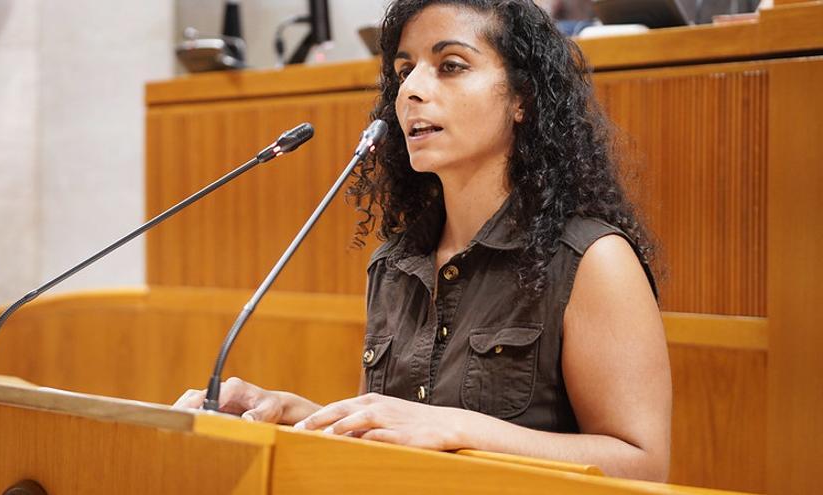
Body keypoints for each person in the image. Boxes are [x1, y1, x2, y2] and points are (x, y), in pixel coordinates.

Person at [175, 0, 671, 482]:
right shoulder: (396, 262)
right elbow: (404, 441)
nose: (410, 89)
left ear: (524, 99)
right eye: (403, 69)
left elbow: (643, 465)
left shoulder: (593, 260)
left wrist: (461, 428)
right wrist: (295, 415)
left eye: (450, 65)